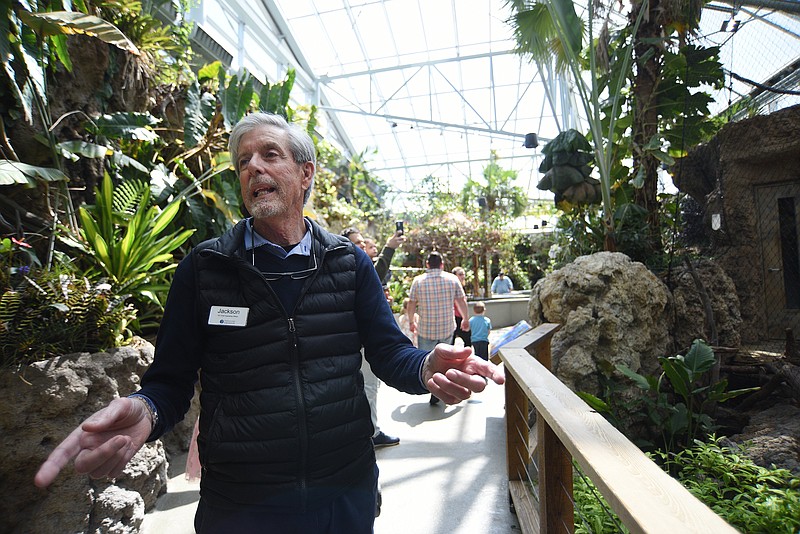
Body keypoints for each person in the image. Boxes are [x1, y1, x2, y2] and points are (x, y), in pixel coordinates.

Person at [34, 112, 504, 534]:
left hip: (344, 492)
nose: (253, 167)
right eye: (243, 162)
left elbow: (387, 351)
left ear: (305, 173)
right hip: (241, 505)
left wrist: (425, 369)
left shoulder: (348, 263)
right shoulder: (205, 269)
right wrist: (148, 411)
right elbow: (170, 383)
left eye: (269, 154)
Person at [341, 228, 401, 449]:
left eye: (363, 244)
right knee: (368, 386)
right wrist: (389, 249)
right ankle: (371, 432)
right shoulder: (348, 267)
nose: (363, 248)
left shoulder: (346, 267)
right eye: (358, 243)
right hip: (359, 341)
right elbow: (376, 273)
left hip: (360, 339)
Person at [408, 251, 470, 405]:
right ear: (442, 264)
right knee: (445, 361)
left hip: (425, 329)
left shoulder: (418, 281)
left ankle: (431, 388)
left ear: (427, 264)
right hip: (446, 328)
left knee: (427, 362)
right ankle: (442, 388)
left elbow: (411, 303)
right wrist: (465, 318)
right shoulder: (452, 279)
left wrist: (411, 321)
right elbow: (461, 300)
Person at [451, 267, 472, 348]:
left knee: (468, 340)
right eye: (460, 274)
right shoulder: (451, 286)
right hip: (453, 317)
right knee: (450, 343)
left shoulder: (462, 287)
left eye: (463, 274)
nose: (463, 276)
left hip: (461, 317)